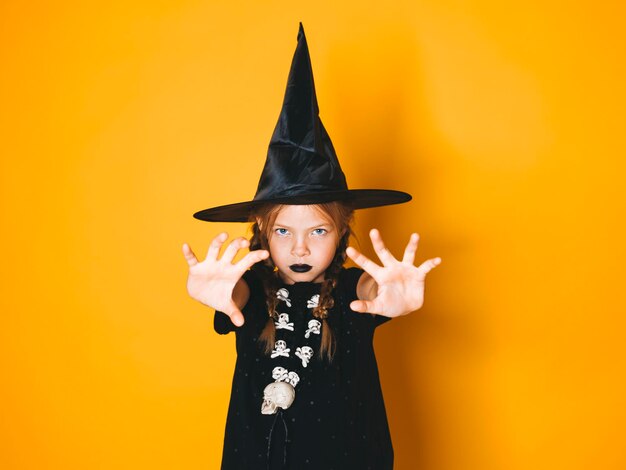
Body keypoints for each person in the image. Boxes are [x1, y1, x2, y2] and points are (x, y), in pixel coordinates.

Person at [182, 23, 441, 469]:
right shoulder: (249, 288)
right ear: (262, 231)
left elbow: (368, 295)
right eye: (284, 231)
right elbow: (236, 297)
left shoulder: (351, 290)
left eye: (318, 231)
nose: (300, 248)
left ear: (342, 233)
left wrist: (386, 297)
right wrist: (221, 297)